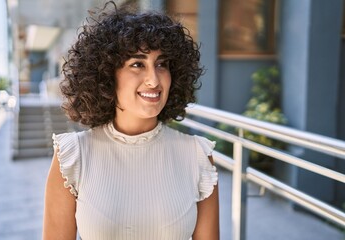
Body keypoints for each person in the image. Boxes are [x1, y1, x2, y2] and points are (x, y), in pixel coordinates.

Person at [42, 1, 219, 239]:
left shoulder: (197, 156)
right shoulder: (72, 156)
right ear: (106, 74)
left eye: (162, 64)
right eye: (137, 64)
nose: (154, 80)